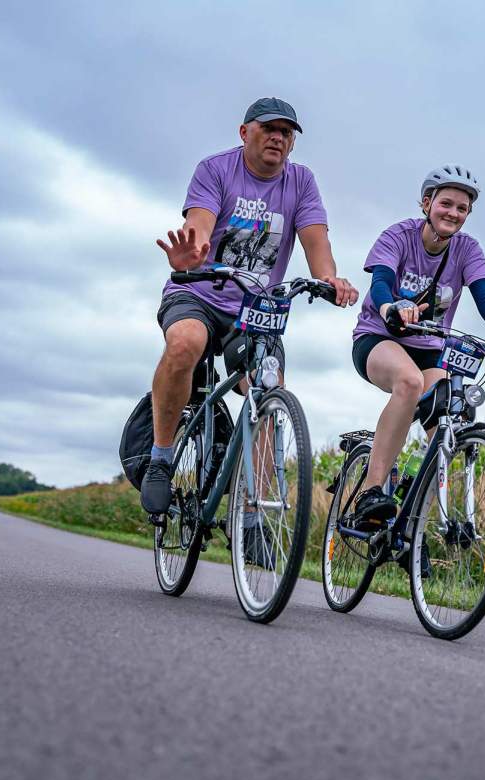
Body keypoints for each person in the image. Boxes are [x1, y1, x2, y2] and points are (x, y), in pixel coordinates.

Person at [143, 97, 359, 516]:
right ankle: (161, 458)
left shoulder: (302, 182)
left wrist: (329, 278)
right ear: (245, 133)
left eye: (286, 132)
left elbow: (317, 241)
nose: (278, 137)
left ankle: (255, 512)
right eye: (268, 129)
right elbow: (199, 226)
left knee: (267, 387)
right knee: (186, 341)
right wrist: (193, 252)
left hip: (255, 309)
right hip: (199, 291)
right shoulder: (215, 169)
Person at [350, 164, 485, 530]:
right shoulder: (399, 236)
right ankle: (372, 490)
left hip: (430, 348)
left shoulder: (468, 249)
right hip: (381, 338)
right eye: (446, 204)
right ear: (427, 203)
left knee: (448, 422)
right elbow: (381, 282)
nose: (453, 213)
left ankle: (413, 525)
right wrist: (391, 306)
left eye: (462, 209)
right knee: (408, 383)